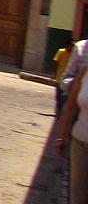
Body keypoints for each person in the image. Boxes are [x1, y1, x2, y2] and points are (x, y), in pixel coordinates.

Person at [54, 65, 88, 203]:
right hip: (80, 141)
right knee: (77, 194)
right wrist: (61, 137)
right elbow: (71, 106)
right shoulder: (85, 72)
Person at [58, 40, 77, 114]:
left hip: (69, 80)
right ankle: (59, 111)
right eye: (71, 46)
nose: (72, 47)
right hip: (60, 78)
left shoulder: (75, 54)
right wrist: (54, 73)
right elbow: (56, 62)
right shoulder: (61, 52)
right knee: (59, 96)